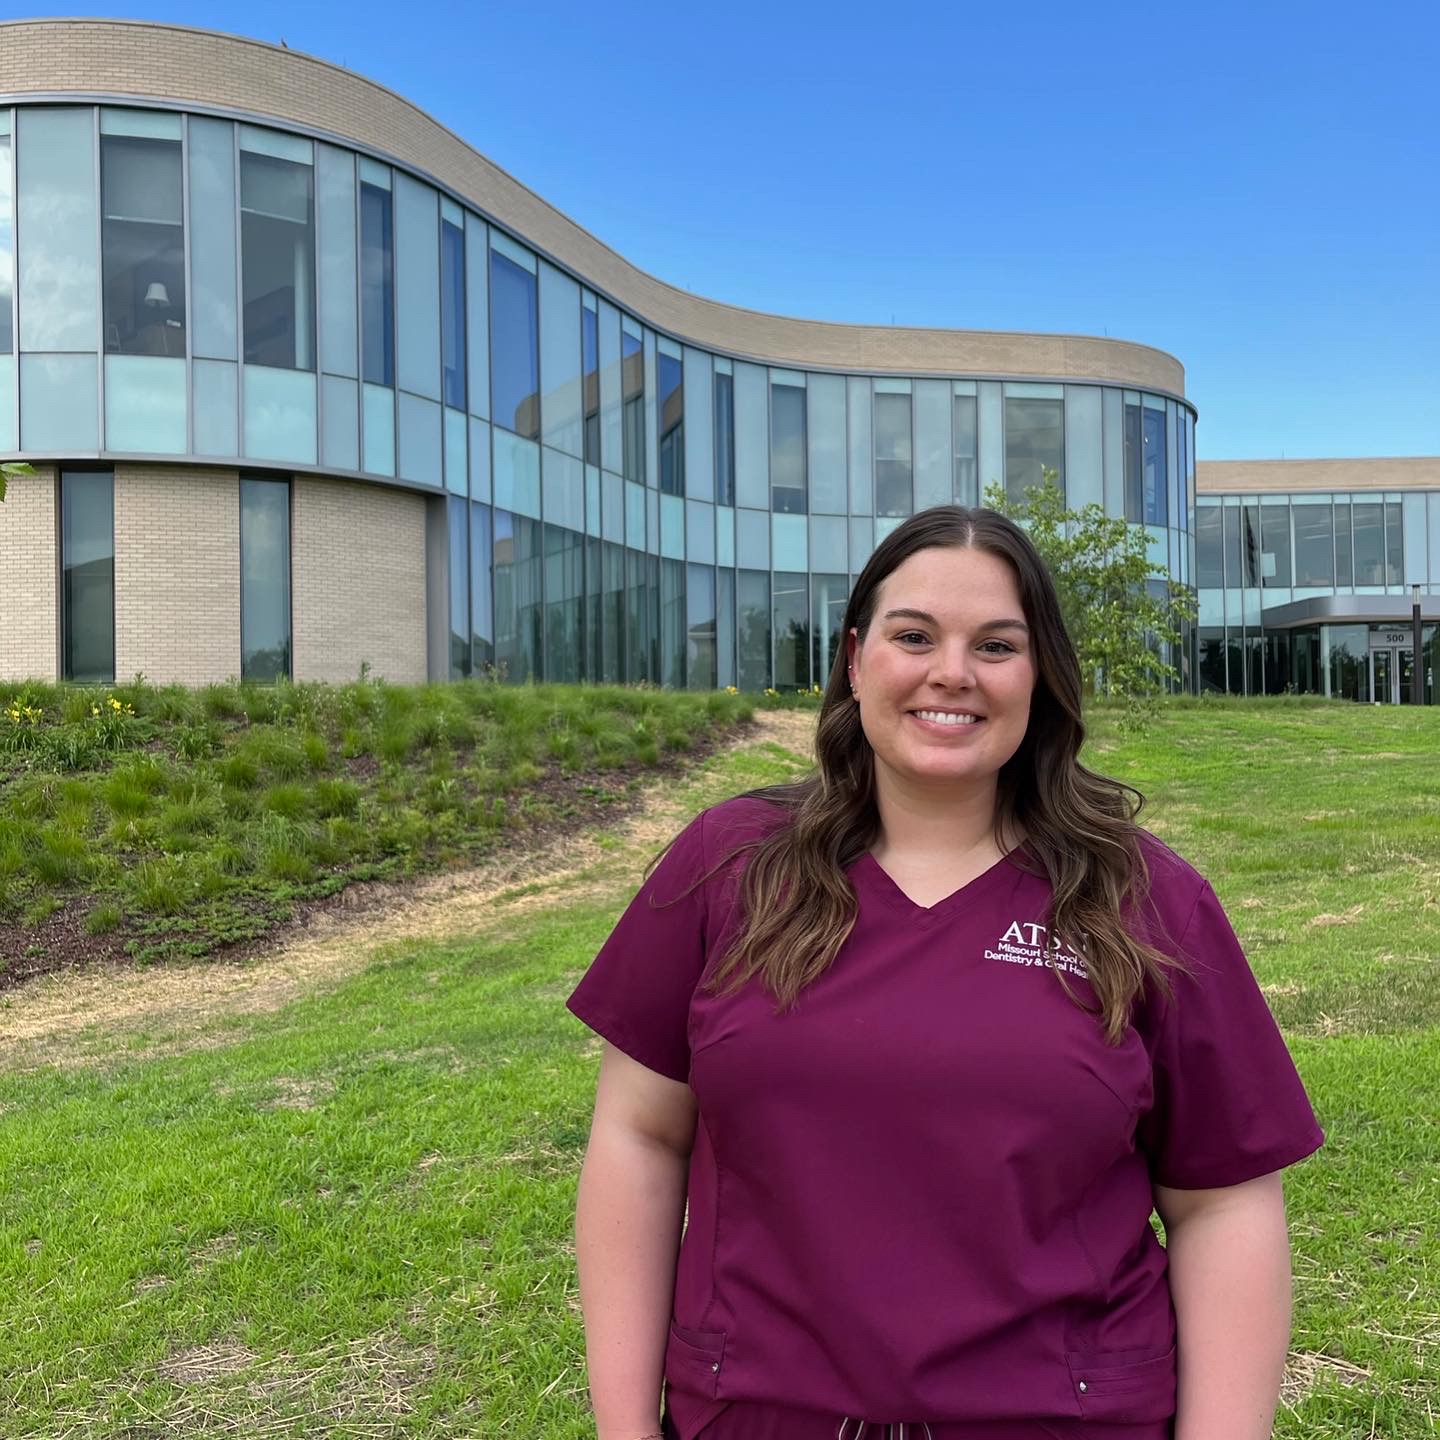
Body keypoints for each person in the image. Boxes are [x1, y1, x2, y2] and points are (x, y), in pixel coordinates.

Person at [566, 506, 1324, 1440]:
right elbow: (640, 1140)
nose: (951, 673)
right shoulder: (728, 867)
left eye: (996, 644)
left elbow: (1223, 1204)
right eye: (913, 635)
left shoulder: (1145, 900)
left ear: (1039, 672)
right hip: (759, 1414)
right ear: (855, 658)